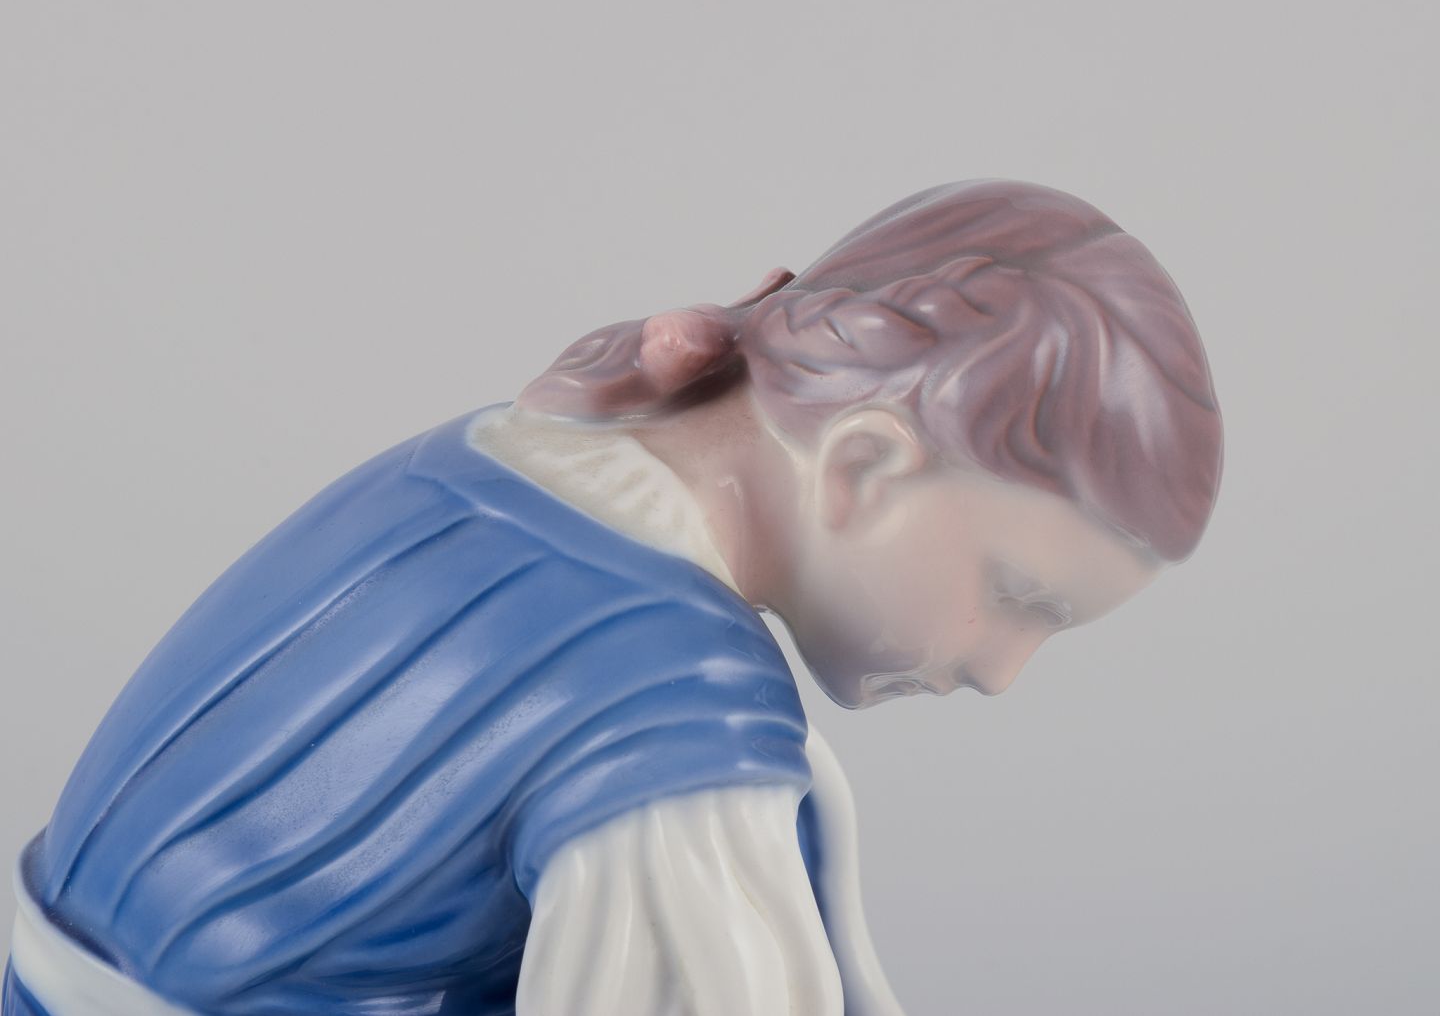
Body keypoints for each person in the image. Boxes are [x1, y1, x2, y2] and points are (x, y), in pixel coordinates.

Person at [2, 179, 1223, 1016]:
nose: (999, 670)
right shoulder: (671, 699)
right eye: (1017, 595)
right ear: (863, 466)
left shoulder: (490, 459)